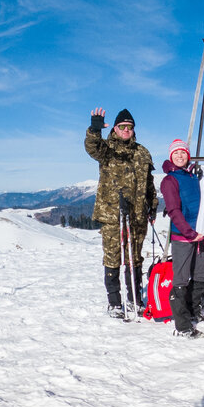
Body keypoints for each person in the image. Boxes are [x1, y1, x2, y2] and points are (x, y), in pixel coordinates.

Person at [86, 107, 157, 318]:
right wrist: (94, 129)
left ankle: (135, 299)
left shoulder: (142, 152)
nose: (127, 130)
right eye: (123, 126)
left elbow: (149, 182)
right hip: (111, 215)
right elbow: (92, 147)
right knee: (113, 258)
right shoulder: (107, 149)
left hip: (137, 215)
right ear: (115, 129)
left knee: (134, 259)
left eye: (130, 127)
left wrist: (152, 204)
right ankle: (115, 302)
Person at [160, 139, 204, 339]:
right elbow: (174, 211)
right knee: (181, 279)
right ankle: (182, 325)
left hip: (202, 233)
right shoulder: (169, 180)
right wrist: (190, 233)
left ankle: (194, 311)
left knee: (200, 274)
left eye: (183, 152)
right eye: (176, 153)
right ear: (171, 156)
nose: (180, 156)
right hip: (184, 236)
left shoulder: (192, 177)